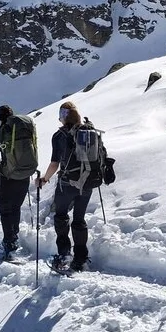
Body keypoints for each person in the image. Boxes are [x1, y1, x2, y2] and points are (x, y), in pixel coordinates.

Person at [37, 101, 100, 272]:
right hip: (87, 183)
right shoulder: (88, 131)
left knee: (61, 217)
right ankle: (80, 258)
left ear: (63, 116)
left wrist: (44, 179)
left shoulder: (59, 136)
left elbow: (54, 163)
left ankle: (64, 255)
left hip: (67, 184)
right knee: (79, 220)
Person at [0, 105, 38, 259]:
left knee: (5, 209)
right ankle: (14, 238)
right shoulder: (24, 129)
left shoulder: (0, 134)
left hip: (7, 177)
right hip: (25, 174)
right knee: (16, 207)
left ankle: (8, 243)